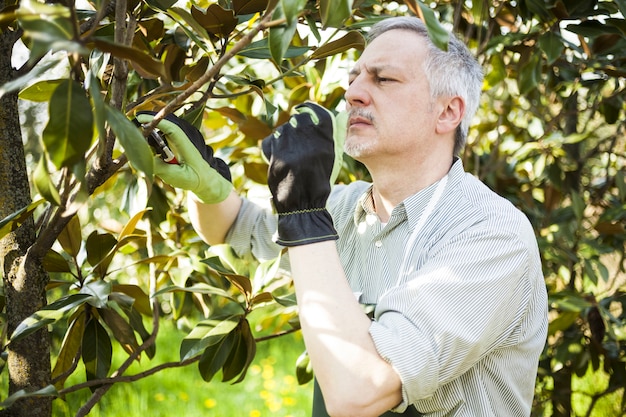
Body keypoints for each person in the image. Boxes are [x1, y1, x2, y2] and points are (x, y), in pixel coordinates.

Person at [136, 15, 548, 417]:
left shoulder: (491, 234)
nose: (353, 93)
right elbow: (231, 227)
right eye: (354, 78)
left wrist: (304, 215)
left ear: (447, 112)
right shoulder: (344, 207)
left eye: (382, 79)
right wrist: (209, 186)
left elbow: (359, 393)